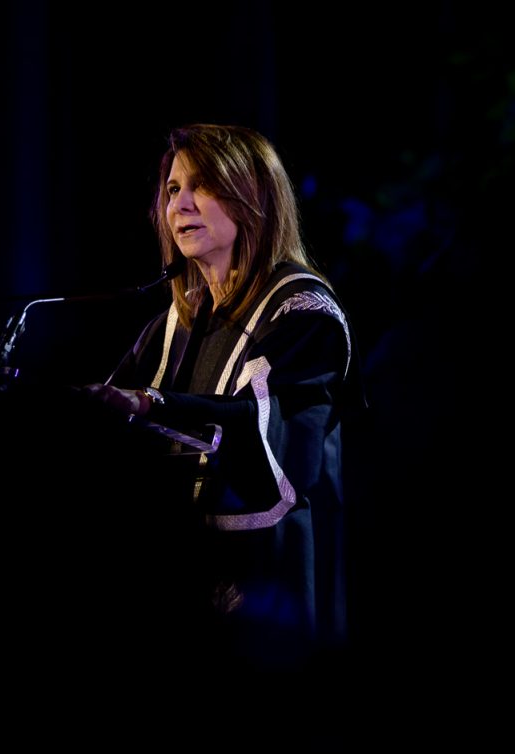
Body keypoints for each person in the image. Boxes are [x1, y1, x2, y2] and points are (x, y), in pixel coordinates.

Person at [83, 123, 363, 677]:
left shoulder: (303, 312)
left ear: (251, 195)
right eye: (171, 190)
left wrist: (144, 405)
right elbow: (104, 414)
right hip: (183, 575)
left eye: (201, 186)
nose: (180, 204)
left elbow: (263, 427)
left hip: (269, 583)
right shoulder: (176, 323)